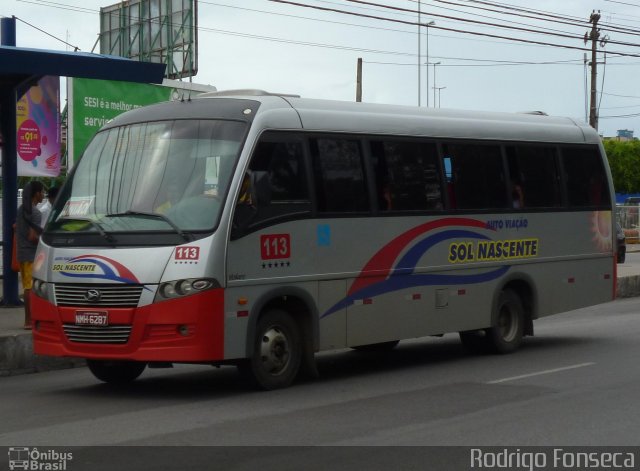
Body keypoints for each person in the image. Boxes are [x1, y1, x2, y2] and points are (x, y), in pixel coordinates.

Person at [16, 181, 45, 329]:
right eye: (42, 192)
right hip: (31, 254)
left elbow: (18, 228)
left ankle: (29, 320)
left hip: (21, 252)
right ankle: (28, 321)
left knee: (27, 286)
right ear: (37, 194)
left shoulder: (21, 209)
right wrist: (44, 238)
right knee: (30, 288)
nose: (43, 195)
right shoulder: (35, 213)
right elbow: (33, 237)